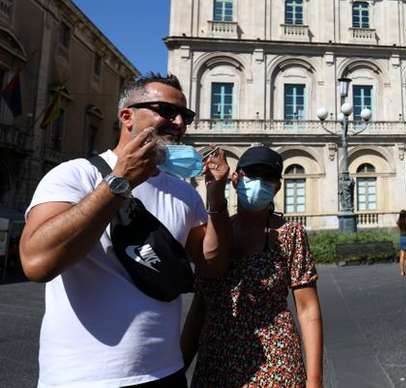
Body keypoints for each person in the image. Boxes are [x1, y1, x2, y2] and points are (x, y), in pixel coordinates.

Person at [20, 73, 232, 387]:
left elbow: (212, 265)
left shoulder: (184, 192)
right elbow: (37, 263)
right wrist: (120, 183)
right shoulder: (74, 175)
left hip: (164, 373)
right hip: (82, 378)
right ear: (127, 115)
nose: (177, 122)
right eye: (165, 110)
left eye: (184, 115)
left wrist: (216, 195)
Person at [182, 146, 323, 388]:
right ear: (235, 179)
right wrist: (178, 367)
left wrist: (314, 381)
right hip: (216, 360)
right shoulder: (212, 234)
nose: (259, 182)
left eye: (268, 177)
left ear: (277, 187)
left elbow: (308, 310)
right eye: (252, 174)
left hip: (275, 360)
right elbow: (199, 309)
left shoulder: (289, 234)